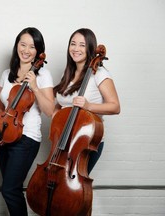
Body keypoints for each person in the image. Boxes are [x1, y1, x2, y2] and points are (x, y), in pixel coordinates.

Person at [0, 27, 55, 216]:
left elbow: (50, 110)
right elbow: (0, 105)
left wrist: (35, 87)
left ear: (38, 51)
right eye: (23, 44)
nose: (26, 50)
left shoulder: (43, 75)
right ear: (17, 46)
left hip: (26, 138)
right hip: (4, 136)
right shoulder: (6, 74)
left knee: (9, 190)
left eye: (32, 46)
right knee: (12, 189)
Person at [53, 28, 120, 174]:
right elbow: (62, 102)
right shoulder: (68, 73)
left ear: (90, 48)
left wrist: (89, 106)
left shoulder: (100, 74)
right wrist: (56, 115)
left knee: (74, 187)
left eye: (82, 45)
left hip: (86, 141)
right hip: (65, 139)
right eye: (73, 44)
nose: (76, 49)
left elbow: (115, 107)